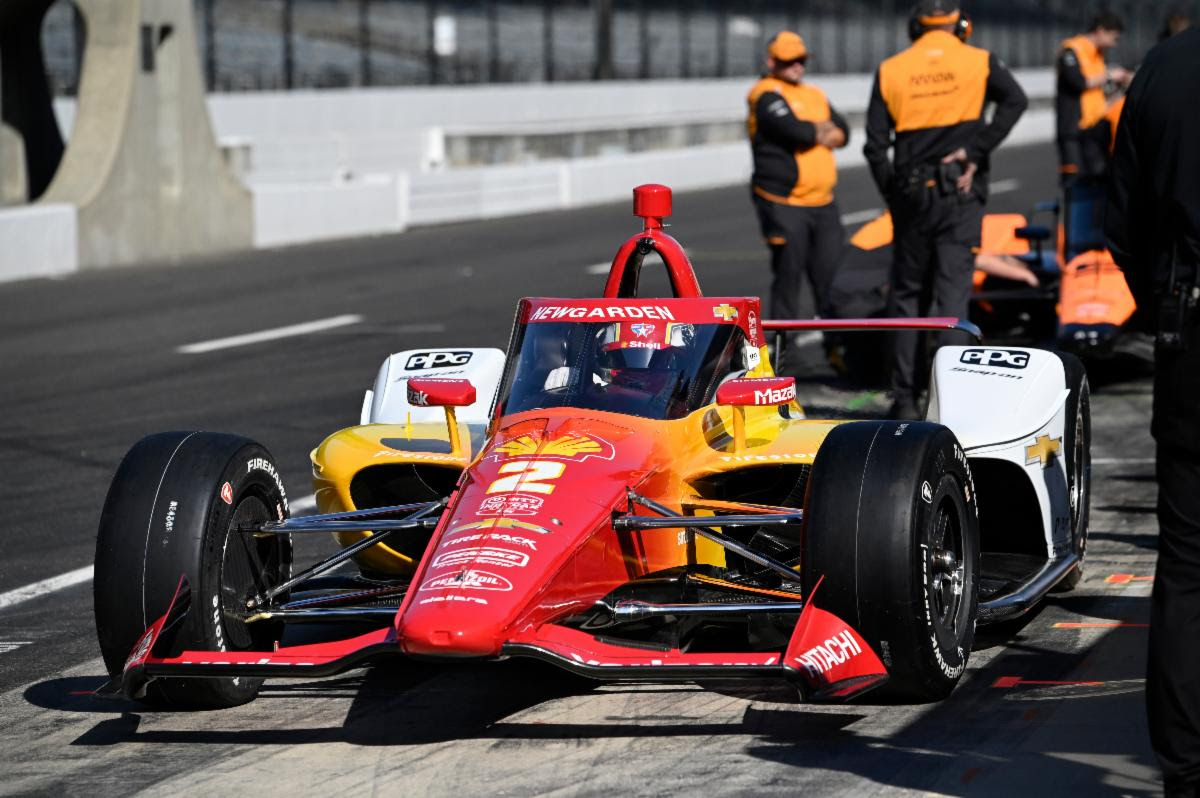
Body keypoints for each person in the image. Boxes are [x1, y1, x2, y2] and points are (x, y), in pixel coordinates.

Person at [1105, 27, 1200, 798]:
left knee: (1190, 564)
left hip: (1191, 334)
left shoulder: (1164, 67)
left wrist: (1165, 304)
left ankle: (1185, 764)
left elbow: (1123, 219)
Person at [863, 0, 1027, 419]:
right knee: (952, 298)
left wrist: (895, 198)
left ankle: (903, 398)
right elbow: (1016, 101)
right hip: (959, 190)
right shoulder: (980, 60)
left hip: (912, 196)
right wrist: (976, 149)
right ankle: (951, 402)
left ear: (914, 28)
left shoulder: (892, 69)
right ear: (961, 26)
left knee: (906, 299)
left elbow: (875, 147)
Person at [746, 31, 851, 327]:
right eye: (789, 60)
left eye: (801, 59)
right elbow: (797, 131)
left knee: (831, 278)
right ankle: (781, 351)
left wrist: (817, 130)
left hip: (823, 202)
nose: (797, 65)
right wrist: (820, 131)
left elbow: (844, 132)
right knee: (788, 278)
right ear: (772, 61)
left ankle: (837, 346)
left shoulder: (814, 94)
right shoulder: (764, 94)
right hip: (783, 202)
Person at [1055, 9, 1133, 184]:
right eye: (1113, 38)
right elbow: (1077, 81)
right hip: (1074, 131)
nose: (1114, 44)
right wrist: (1111, 75)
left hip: (1095, 129)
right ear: (1100, 31)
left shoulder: (1098, 55)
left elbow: (1098, 93)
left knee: (1099, 179)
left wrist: (1121, 86)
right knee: (1075, 181)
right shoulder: (1072, 50)